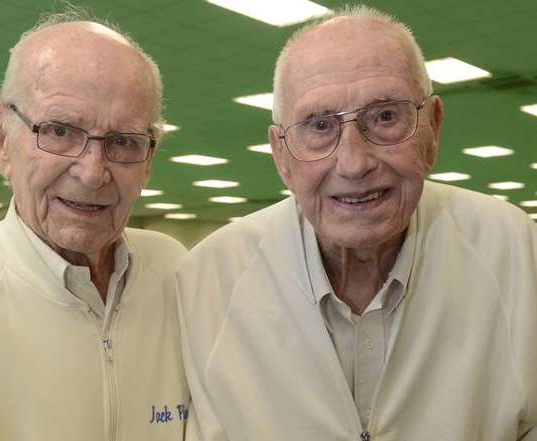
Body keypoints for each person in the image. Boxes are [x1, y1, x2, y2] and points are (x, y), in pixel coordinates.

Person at [176, 5, 537, 441]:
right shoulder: (210, 280)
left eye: (385, 116)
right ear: (281, 155)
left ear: (433, 128)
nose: (353, 162)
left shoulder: (517, 253)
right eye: (320, 125)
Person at [0, 11, 189, 441]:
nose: (93, 171)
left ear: (148, 160)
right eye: (60, 130)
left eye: (123, 141)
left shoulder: (177, 274)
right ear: (1, 138)